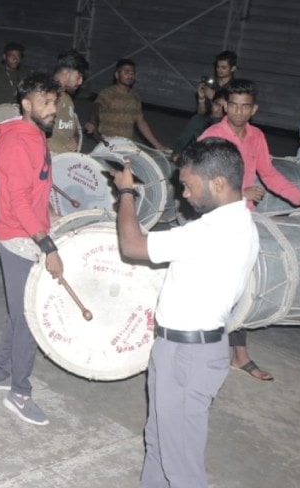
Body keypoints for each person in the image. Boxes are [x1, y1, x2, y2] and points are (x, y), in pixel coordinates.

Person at [113, 137, 258, 488]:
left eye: (189, 186)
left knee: (182, 468)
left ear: (218, 182)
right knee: (160, 443)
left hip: (185, 356)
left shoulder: (208, 232)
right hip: (194, 350)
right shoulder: (244, 224)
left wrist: (126, 194)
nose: (185, 195)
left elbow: (133, 245)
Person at [198, 78, 300, 382]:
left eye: (245, 106)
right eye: (233, 105)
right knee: (219, 287)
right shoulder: (212, 135)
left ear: (254, 109)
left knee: (244, 286)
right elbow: (197, 180)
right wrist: (239, 192)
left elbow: (269, 174)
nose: (238, 111)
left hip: (244, 219)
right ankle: (209, 349)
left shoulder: (256, 136)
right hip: (216, 218)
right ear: (224, 105)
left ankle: (238, 355)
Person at [0, 71, 62, 426]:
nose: (53, 109)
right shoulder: (15, 143)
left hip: (29, 229)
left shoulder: (35, 136)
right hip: (18, 237)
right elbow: (18, 201)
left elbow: (35, 187)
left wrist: (51, 211)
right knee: (30, 318)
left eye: (55, 102)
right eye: (46, 102)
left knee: (21, 313)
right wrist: (47, 243)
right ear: (27, 104)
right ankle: (19, 393)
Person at [85, 59, 168, 150]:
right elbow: (96, 107)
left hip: (125, 144)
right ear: (117, 75)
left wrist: (158, 146)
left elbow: (141, 122)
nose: (130, 75)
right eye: (126, 72)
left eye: (132, 73)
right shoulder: (108, 93)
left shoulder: (135, 97)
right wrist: (92, 122)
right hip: (107, 143)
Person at [47, 49, 88, 154]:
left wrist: (75, 139)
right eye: (78, 76)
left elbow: (72, 129)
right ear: (66, 73)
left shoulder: (68, 99)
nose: (80, 82)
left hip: (63, 159)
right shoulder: (45, 95)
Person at [172, 88, 226, 162]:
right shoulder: (198, 119)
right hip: (192, 157)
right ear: (212, 103)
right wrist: (177, 153)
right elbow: (181, 141)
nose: (220, 109)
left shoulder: (226, 127)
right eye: (217, 104)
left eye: (223, 107)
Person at [195, 50, 237, 116]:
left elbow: (236, 115)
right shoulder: (211, 84)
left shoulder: (236, 87)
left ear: (233, 68)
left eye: (223, 67)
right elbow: (201, 113)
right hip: (208, 119)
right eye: (218, 67)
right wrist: (201, 98)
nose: (219, 70)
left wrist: (214, 97)